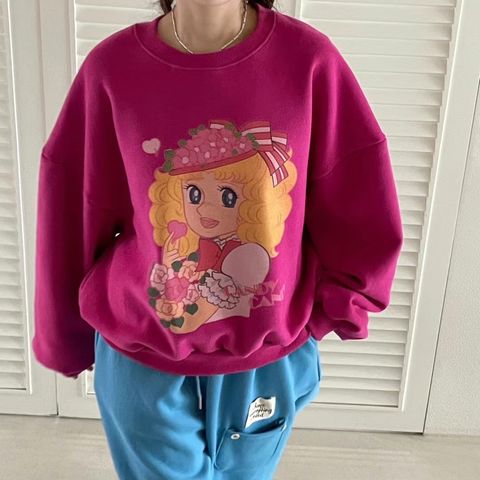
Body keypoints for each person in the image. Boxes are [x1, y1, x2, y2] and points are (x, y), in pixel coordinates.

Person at [32, 0, 404, 478]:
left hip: (266, 359)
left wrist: (335, 309)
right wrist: (64, 337)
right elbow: (71, 207)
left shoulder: (310, 62)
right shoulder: (111, 70)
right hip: (143, 359)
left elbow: (358, 191)